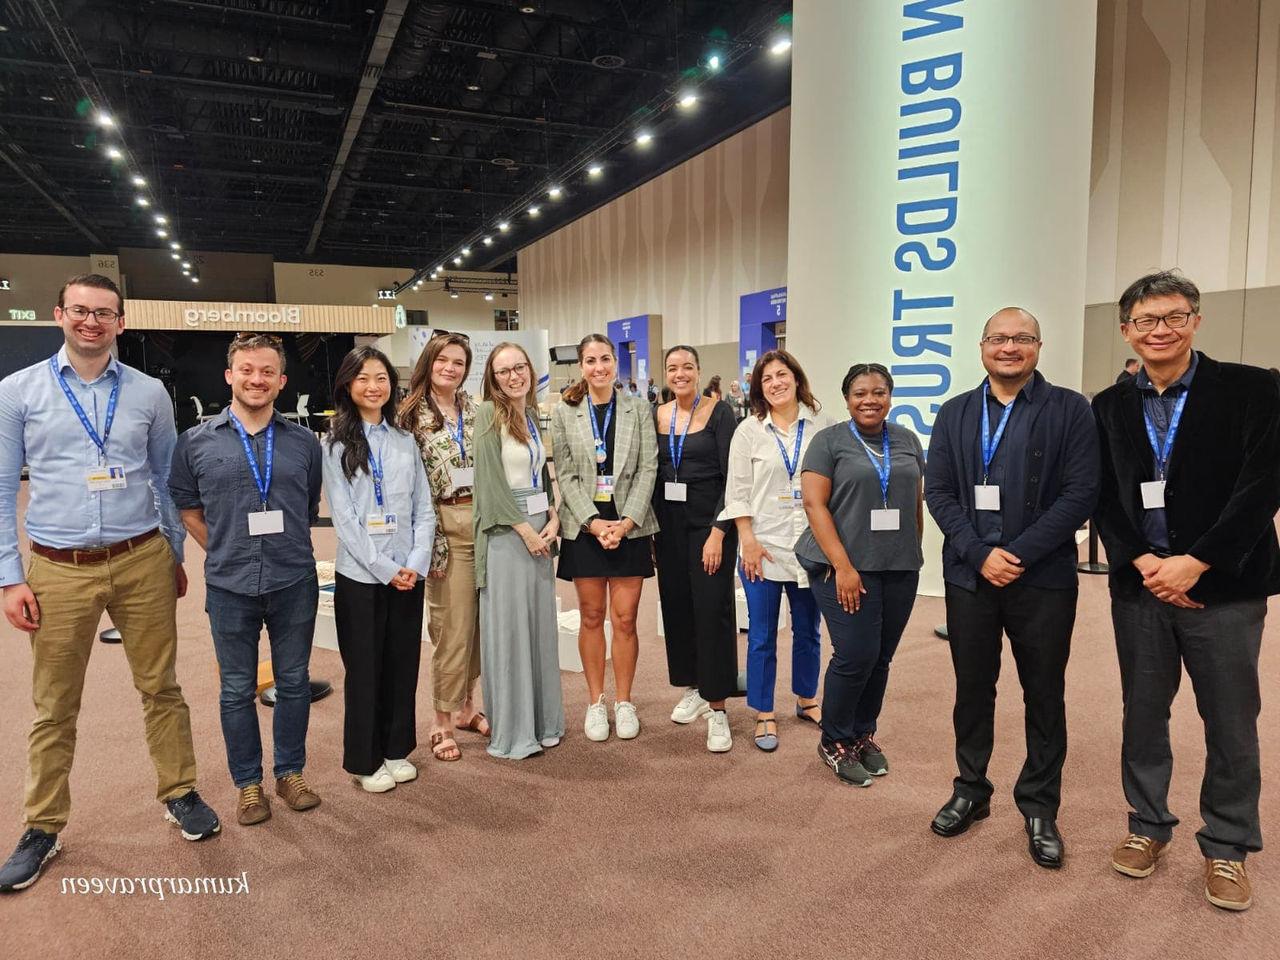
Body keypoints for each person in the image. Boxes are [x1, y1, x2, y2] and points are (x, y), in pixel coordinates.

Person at [0, 274, 219, 894]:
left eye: (104, 314)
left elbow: (165, 479)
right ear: (59, 314)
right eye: (80, 311)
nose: (91, 322)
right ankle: (42, 826)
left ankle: (178, 792)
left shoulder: (150, 393)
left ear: (120, 322)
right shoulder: (18, 392)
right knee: (54, 705)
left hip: (140, 557)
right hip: (57, 568)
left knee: (161, 687)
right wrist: (9, 578)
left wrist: (174, 553)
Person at [1092, 270, 1280, 912]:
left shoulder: (1255, 390)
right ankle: (1146, 828)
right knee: (1144, 714)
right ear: (1127, 331)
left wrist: (1194, 562)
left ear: (1196, 320)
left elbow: (1261, 491)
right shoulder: (1110, 405)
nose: (1160, 330)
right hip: (1141, 588)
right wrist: (1146, 560)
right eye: (1146, 321)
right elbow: (1104, 498)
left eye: (1173, 316)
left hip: (1223, 589)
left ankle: (1227, 846)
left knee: (1231, 720)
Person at [924, 307, 1099, 869]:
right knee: (973, 688)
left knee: (1043, 692)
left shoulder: (1070, 409)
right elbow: (940, 493)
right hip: (971, 576)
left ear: (1038, 347)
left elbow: (1081, 493)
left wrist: (1018, 553)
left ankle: (1040, 805)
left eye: (1021, 338)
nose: (1009, 347)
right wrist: (980, 554)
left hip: (1042, 577)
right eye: (998, 338)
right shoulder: (954, 413)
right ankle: (971, 788)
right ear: (981, 347)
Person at [169, 332, 323, 826]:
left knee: (294, 682)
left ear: (281, 380)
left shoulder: (303, 443)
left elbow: (308, 504)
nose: (256, 380)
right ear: (230, 376)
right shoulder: (194, 443)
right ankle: (249, 784)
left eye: (267, 372)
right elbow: (187, 507)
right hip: (230, 586)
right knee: (236, 689)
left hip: (293, 580)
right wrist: (225, 549)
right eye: (247, 370)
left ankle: (290, 772)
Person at [795, 363, 924, 783]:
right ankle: (834, 740)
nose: (870, 400)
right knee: (855, 656)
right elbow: (815, 506)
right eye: (860, 393)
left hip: (899, 565)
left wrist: (913, 551)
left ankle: (862, 735)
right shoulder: (828, 442)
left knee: (881, 658)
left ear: (890, 396)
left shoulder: (906, 439)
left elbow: (914, 501)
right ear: (847, 398)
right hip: (843, 567)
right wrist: (843, 566)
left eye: (879, 392)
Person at [322, 347, 434, 793]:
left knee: (402, 664)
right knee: (365, 669)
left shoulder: (405, 440)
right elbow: (345, 520)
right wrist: (386, 567)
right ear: (349, 385)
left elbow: (423, 508)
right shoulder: (334, 443)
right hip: (362, 575)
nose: (374, 386)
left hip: (409, 573)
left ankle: (395, 750)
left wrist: (415, 562)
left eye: (382, 378)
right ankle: (365, 761)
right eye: (364, 378)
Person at [720, 350, 831, 752]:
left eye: (782, 375)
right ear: (758, 389)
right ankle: (764, 711)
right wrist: (746, 540)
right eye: (767, 379)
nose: (776, 384)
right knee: (762, 634)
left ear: (797, 379)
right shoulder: (748, 431)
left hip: (809, 545)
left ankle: (806, 699)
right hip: (761, 547)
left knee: (808, 630)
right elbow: (738, 490)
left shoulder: (823, 425)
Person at [551, 334, 659, 742]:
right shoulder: (566, 411)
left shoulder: (638, 408)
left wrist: (626, 522)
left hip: (629, 524)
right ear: (581, 366)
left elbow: (648, 468)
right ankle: (596, 702)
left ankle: (624, 700)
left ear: (616, 363)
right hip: (585, 525)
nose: (599, 367)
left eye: (606, 359)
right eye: (591, 360)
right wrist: (595, 524)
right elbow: (566, 474)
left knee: (626, 619)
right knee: (592, 617)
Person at [400, 332, 489, 762]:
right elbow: (410, 490)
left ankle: (469, 707)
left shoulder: (475, 410)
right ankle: (441, 721)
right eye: (443, 361)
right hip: (443, 523)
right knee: (450, 630)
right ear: (429, 363)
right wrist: (428, 546)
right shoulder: (408, 416)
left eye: (458, 362)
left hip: (485, 521)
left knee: (478, 626)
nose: (451, 368)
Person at [473, 342, 564, 759]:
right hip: (507, 536)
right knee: (510, 634)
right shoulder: (488, 416)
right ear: (492, 379)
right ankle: (513, 732)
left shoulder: (529, 415)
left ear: (531, 370)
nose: (513, 376)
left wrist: (554, 517)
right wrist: (525, 530)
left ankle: (544, 723)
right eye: (503, 371)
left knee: (538, 631)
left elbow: (538, 477)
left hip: (539, 533)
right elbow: (490, 484)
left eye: (520, 367)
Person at [653, 345, 739, 752]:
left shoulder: (720, 413)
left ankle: (718, 706)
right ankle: (694, 687)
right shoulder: (660, 413)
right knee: (678, 607)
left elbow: (733, 478)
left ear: (699, 371)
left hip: (710, 527)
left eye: (688, 367)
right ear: (666, 374)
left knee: (712, 610)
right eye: (673, 368)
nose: (680, 373)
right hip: (669, 527)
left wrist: (719, 531)